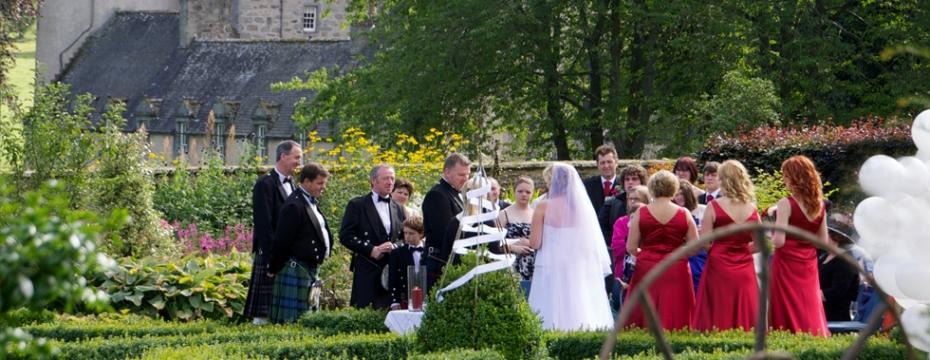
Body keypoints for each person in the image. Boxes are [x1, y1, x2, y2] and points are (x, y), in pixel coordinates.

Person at [528, 163, 614, 331]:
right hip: (575, 266)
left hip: (550, 265)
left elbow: (535, 243)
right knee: (577, 304)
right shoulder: (581, 209)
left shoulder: (543, 207)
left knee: (549, 306)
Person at [624, 170, 698, 330]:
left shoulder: (641, 212)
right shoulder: (684, 213)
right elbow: (695, 248)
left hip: (647, 267)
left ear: (652, 187)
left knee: (644, 311)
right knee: (677, 310)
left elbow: (630, 247)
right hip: (676, 267)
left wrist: (645, 254)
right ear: (674, 188)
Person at [693, 160, 760, 332]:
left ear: (724, 179)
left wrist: (717, 251)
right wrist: (742, 251)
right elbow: (760, 244)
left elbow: (704, 241)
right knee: (744, 308)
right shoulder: (751, 208)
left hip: (718, 263)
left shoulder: (714, 205)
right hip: (744, 265)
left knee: (717, 307)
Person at [769, 155, 830, 336]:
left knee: (784, 304)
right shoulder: (820, 205)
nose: (784, 180)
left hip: (786, 263)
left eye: (785, 175)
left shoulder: (786, 203)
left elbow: (779, 241)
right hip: (808, 262)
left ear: (795, 177)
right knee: (808, 303)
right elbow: (823, 241)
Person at [244, 140, 301, 325]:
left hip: (287, 252)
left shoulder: (293, 185)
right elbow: (263, 224)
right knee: (263, 310)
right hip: (270, 251)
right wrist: (272, 258)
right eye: (296, 157)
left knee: (282, 304)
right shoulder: (265, 184)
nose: (299, 162)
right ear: (283, 156)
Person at [267, 163, 331, 323]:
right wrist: (273, 267)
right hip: (296, 269)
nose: (323, 188)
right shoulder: (294, 205)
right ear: (306, 182)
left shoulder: (309, 202)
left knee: (307, 317)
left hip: (307, 268)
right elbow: (281, 241)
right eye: (320, 183)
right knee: (294, 320)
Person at [339, 164, 406, 309]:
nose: (390, 182)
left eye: (392, 179)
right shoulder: (357, 204)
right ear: (373, 181)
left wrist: (395, 246)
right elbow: (345, 236)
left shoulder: (398, 207)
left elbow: (404, 237)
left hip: (391, 269)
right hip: (367, 267)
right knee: (365, 311)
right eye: (385, 179)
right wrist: (371, 249)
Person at [423, 153, 471, 288]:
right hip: (440, 260)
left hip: (451, 258)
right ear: (447, 172)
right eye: (461, 175)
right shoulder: (437, 194)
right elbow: (444, 234)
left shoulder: (455, 193)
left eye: (468, 174)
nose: (466, 179)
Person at [497, 176, 536, 281]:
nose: (524, 194)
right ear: (514, 192)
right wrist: (513, 247)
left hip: (533, 264)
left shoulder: (536, 214)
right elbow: (495, 242)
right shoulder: (504, 214)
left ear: (532, 193)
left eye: (528, 192)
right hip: (511, 264)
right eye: (520, 191)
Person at [610, 185, 649, 289]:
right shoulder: (621, 222)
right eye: (630, 198)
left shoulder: (653, 221)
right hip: (625, 272)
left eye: (636, 199)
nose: (632, 201)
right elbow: (617, 248)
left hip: (647, 271)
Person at [599, 164, 648, 245]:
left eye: (634, 179)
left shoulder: (650, 201)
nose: (630, 182)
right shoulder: (611, 203)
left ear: (642, 181)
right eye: (627, 179)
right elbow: (601, 228)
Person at [673, 179, 708, 294]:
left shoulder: (704, 209)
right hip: (680, 256)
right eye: (676, 195)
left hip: (701, 256)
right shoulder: (673, 212)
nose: (679, 198)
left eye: (682, 194)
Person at [819, 227, 860, 322]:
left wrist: (810, 294)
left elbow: (837, 292)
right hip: (819, 310)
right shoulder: (824, 256)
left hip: (834, 315)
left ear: (835, 238)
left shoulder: (846, 261)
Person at [388, 216, 427, 310]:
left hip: (426, 297)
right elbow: (393, 278)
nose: (407, 236)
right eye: (405, 233)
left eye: (411, 233)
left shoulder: (428, 251)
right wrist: (394, 301)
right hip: (405, 298)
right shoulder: (397, 253)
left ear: (421, 234)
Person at [583, 144, 621, 214]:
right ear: (597, 165)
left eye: (609, 162)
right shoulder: (587, 185)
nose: (606, 166)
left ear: (616, 163)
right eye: (602, 163)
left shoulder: (624, 185)